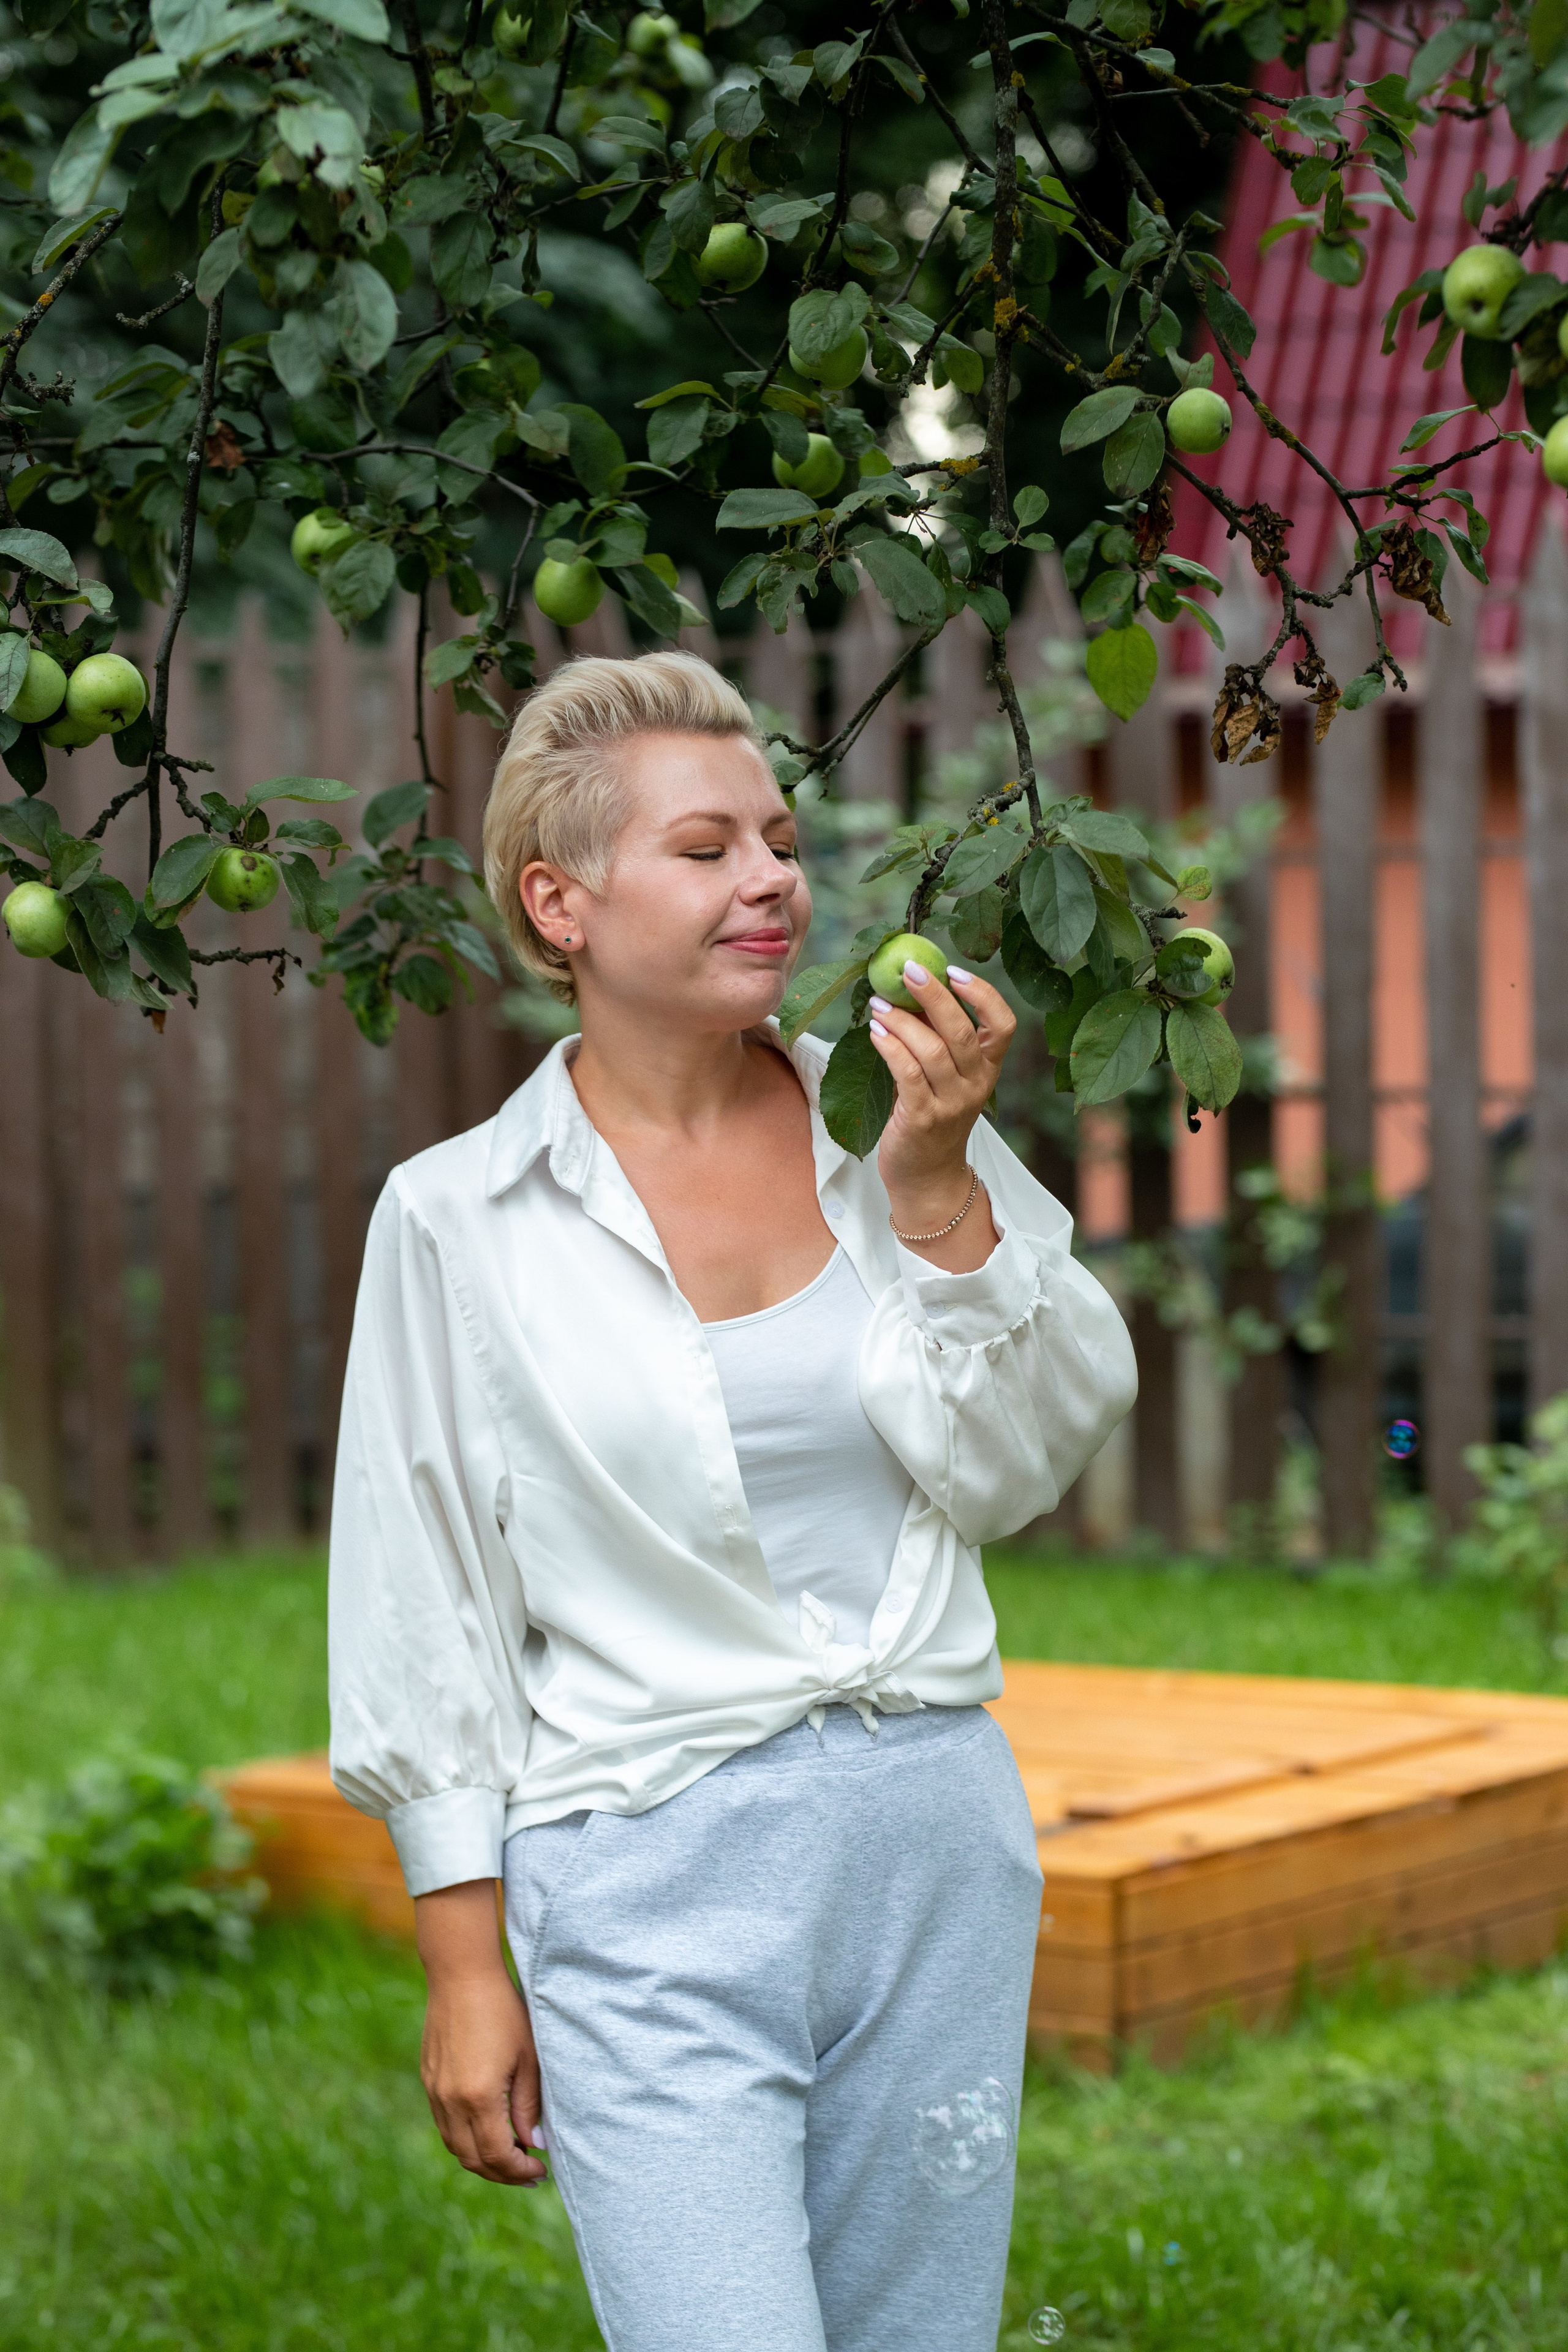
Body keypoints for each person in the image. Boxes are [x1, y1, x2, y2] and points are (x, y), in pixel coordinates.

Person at [328, 650, 1137, 2352]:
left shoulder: (903, 1124)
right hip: (642, 1869)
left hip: (932, 1846)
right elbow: (423, 1604)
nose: (774, 876)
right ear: (562, 902)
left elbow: (1021, 1464)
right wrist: (466, 1967)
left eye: (776, 836)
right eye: (707, 849)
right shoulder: (458, 1219)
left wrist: (932, 1202)